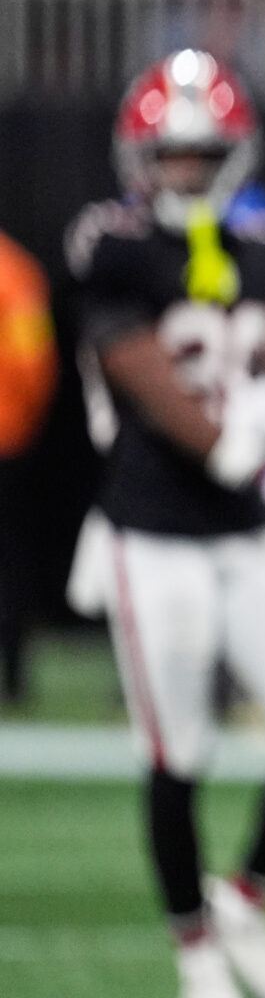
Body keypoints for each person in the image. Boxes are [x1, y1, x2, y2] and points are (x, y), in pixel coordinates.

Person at [59, 51, 265, 998]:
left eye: (202, 155)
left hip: (242, 531)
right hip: (155, 531)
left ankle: (246, 900)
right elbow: (144, 375)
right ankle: (194, 947)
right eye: (171, 155)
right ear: (140, 156)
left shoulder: (262, 242)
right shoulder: (113, 242)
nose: (185, 173)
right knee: (178, 751)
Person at [0, 223, 57, 702]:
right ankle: (13, 674)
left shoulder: (12, 272)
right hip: (8, 433)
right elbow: (33, 360)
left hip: (8, 432)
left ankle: (15, 672)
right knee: (10, 558)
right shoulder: (13, 270)